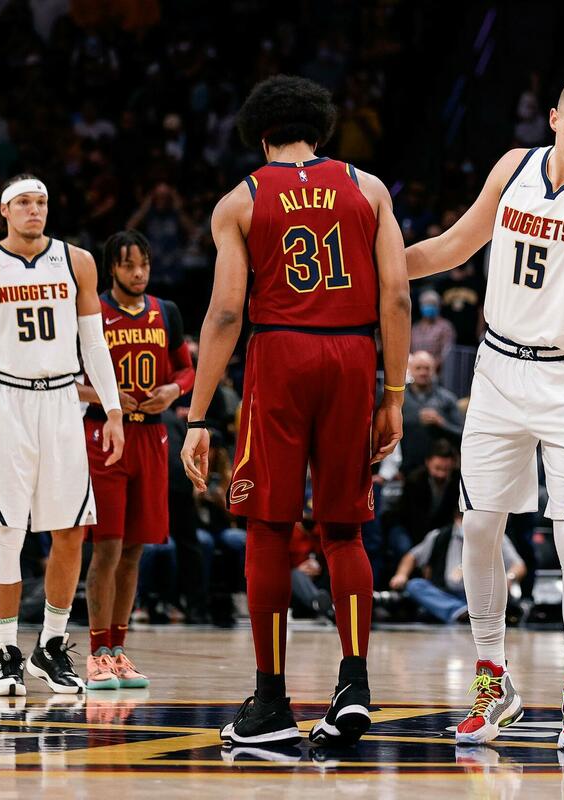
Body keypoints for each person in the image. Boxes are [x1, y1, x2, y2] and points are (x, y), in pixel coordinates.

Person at [406, 77, 564, 752]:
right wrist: (385, 269)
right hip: (499, 369)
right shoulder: (514, 167)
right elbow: (456, 244)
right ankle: (493, 682)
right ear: (552, 119)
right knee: (479, 525)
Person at [179, 76, 411, 748]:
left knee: (268, 527)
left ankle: (271, 703)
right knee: (345, 529)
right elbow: (397, 298)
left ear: (261, 136)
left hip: (280, 356)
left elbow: (226, 313)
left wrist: (197, 418)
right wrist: (393, 394)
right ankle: (354, 685)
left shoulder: (241, 200)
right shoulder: (369, 188)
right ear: (322, 130)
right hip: (351, 356)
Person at [0, 174, 125, 696]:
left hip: (61, 400)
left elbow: (94, 343)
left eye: (41, 202)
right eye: (24, 203)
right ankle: (7, 654)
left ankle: (50, 646)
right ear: (4, 210)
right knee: (8, 531)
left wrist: (114, 409)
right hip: (3, 399)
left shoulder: (77, 261)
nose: (34, 210)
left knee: (71, 529)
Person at [78, 230, 195, 690]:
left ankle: (118, 649)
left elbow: (186, 369)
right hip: (104, 434)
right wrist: (105, 397)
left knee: (134, 549)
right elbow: (67, 378)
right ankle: (96, 653)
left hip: (151, 436)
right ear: (112, 268)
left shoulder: (166, 312)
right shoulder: (92, 311)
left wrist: (174, 390)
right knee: (106, 547)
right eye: (129, 264)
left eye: (143, 263)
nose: (139, 272)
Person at [389, 512, 526, 624]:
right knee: (415, 585)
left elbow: (519, 565)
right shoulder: (438, 535)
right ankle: (461, 612)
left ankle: (466, 612)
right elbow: (411, 556)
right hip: (444, 594)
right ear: (457, 518)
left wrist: (509, 578)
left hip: (482, 596)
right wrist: (401, 575)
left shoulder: (494, 536)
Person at [400, 350, 463, 472]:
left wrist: (441, 423)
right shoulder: (400, 399)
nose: (423, 372)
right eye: (418, 368)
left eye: (427, 368)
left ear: (434, 370)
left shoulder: (447, 399)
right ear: (410, 369)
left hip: (439, 469)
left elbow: (461, 434)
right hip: (405, 467)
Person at [411, 288, 456, 366]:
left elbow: (447, 352)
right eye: (426, 304)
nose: (429, 306)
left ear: (439, 306)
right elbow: (410, 350)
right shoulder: (415, 328)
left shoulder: (445, 327)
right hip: (416, 368)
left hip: (437, 369)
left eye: (433, 304)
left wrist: (430, 365)